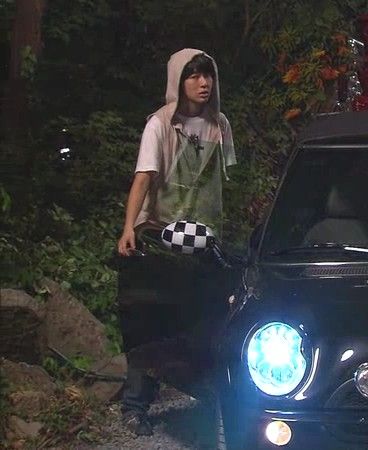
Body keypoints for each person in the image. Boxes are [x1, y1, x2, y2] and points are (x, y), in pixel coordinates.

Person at [115, 48, 236, 436]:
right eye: (193, 75)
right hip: (162, 235)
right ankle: (135, 405)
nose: (203, 83)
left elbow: (223, 182)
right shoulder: (160, 124)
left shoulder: (219, 125)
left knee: (208, 317)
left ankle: (206, 396)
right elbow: (144, 176)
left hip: (205, 239)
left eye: (207, 75)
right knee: (153, 321)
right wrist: (129, 227)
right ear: (178, 80)